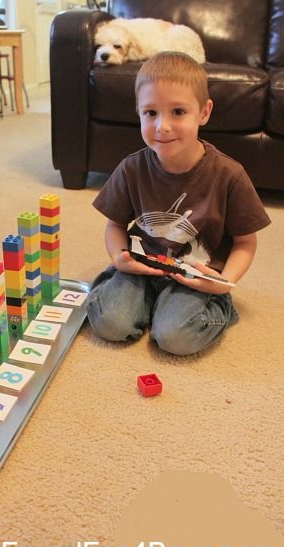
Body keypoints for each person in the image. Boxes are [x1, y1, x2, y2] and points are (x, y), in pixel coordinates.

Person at [87, 51, 271, 356]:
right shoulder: (132, 168)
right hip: (143, 268)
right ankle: (147, 303)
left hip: (197, 277)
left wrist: (225, 283)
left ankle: (212, 308)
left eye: (178, 112)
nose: (162, 126)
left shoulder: (230, 174)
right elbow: (115, 224)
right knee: (110, 324)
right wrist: (118, 256)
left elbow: (245, 243)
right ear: (138, 112)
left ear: (204, 112)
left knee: (175, 338)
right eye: (150, 113)